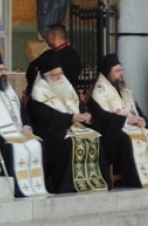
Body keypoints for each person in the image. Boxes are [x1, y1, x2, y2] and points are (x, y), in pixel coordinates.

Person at [29, 54, 110, 194]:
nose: (60, 78)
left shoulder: (67, 87)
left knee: (96, 138)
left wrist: (87, 117)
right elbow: (45, 119)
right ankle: (69, 185)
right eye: (55, 75)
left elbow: (81, 106)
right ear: (45, 77)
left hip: (74, 128)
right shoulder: (38, 94)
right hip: (52, 133)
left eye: (61, 73)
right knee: (70, 143)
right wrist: (70, 118)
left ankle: (96, 183)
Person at [89, 54, 148, 189]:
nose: (121, 74)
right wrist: (127, 120)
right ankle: (136, 179)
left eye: (122, 70)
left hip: (126, 127)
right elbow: (103, 120)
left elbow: (136, 108)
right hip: (110, 136)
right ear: (107, 73)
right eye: (117, 71)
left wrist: (143, 120)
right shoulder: (99, 93)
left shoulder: (124, 90)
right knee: (127, 139)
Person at [0, 52, 46, 197]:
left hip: (18, 131)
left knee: (37, 143)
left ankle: (35, 186)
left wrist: (26, 126)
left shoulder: (8, 89)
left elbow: (21, 112)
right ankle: (18, 188)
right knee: (12, 148)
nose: (3, 73)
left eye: (4, 69)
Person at [25, 24, 82, 97]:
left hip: (64, 98)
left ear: (53, 36)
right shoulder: (47, 54)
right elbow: (31, 68)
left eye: (47, 35)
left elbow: (67, 78)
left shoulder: (72, 56)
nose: (46, 38)